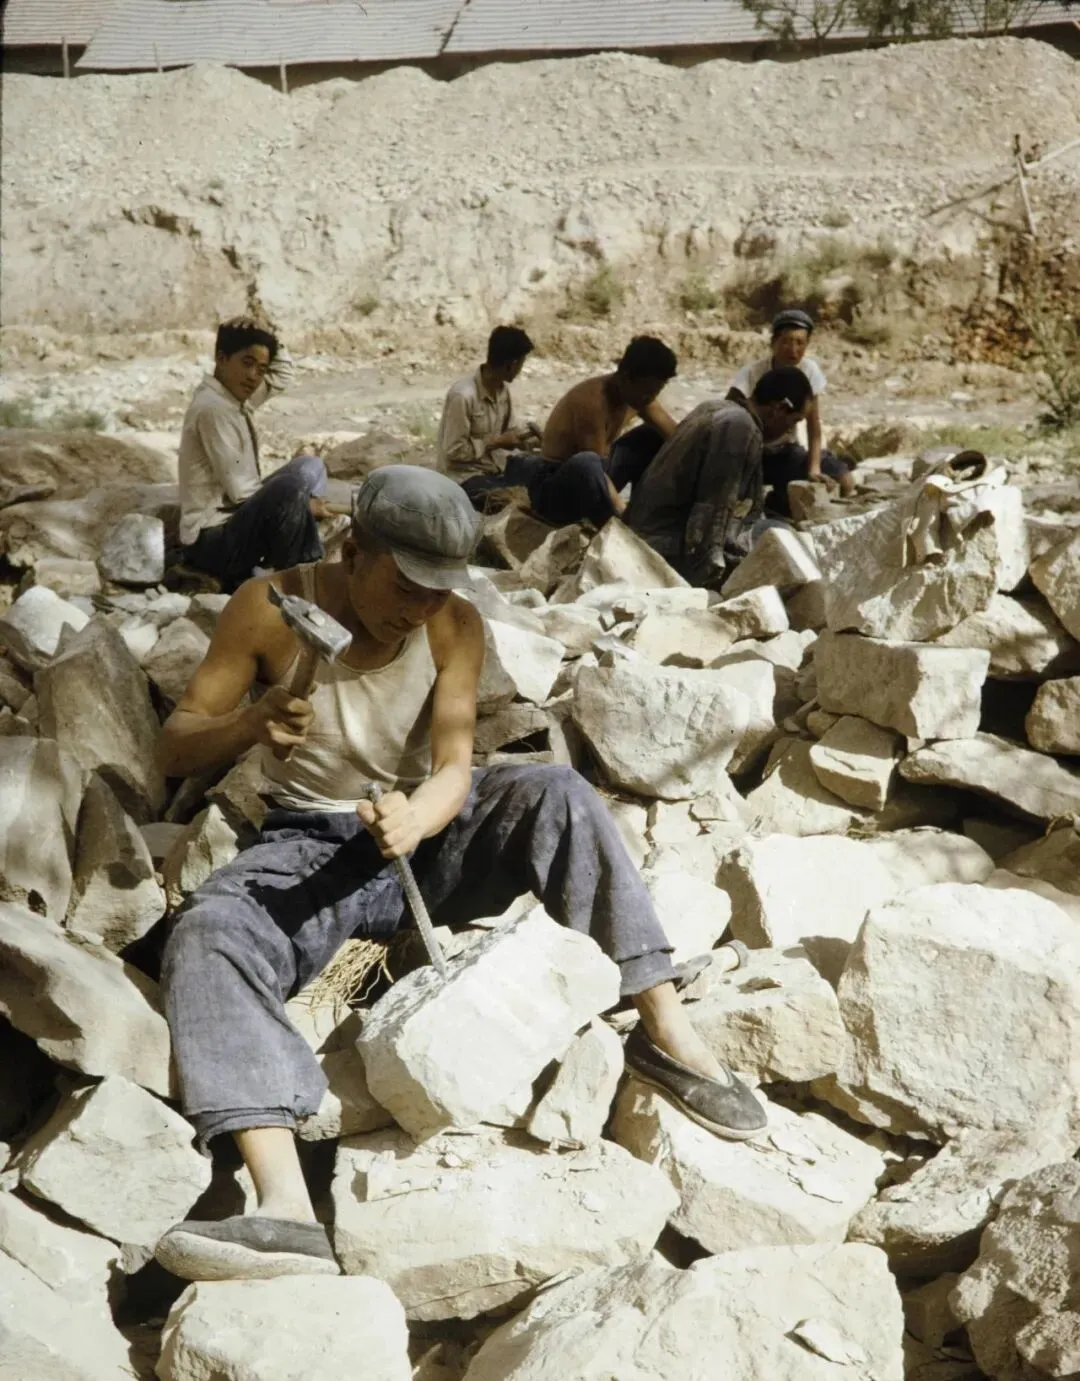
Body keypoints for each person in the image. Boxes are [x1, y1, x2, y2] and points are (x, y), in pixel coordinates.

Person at [153, 465, 766, 1283]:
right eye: (405, 586)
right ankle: (286, 1206)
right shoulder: (268, 607)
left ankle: (667, 1030)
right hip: (308, 842)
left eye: (436, 590)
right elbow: (175, 744)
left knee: (556, 791)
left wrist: (418, 817)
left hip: (421, 834)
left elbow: (452, 767)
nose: (418, 609)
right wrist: (251, 722)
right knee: (211, 928)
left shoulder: (452, 625)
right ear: (353, 549)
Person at [178, 316, 331, 593]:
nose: (253, 376)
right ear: (222, 358)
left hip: (237, 520)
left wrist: (269, 335)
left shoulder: (234, 396)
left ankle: (289, 537)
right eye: (247, 363)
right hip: (214, 542)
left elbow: (283, 375)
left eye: (261, 369)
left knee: (310, 466)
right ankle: (303, 578)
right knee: (290, 488)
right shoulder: (214, 409)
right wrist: (301, 503)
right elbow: (242, 490)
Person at [625, 366, 814, 589]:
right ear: (779, 409)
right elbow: (714, 510)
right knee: (782, 540)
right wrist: (710, 578)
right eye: (794, 421)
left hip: (650, 532)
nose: (789, 431)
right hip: (666, 545)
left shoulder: (715, 407)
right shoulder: (740, 428)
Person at [492, 335, 679, 529]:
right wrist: (623, 514)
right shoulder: (593, 401)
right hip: (557, 487)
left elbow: (677, 436)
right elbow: (593, 469)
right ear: (625, 378)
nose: (650, 399)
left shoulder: (639, 398)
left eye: (655, 393)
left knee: (651, 437)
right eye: (646, 392)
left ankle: (646, 512)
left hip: (597, 478)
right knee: (587, 462)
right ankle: (624, 524)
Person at [727, 308, 854, 516]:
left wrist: (814, 468)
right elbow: (730, 409)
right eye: (786, 342)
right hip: (753, 453)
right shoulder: (753, 372)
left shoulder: (809, 371)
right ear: (773, 342)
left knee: (845, 480)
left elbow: (814, 425)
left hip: (786, 451)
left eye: (800, 343)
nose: (793, 350)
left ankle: (779, 500)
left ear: (807, 344)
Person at [436, 325, 539, 481]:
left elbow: (509, 433)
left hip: (494, 469)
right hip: (464, 477)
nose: (520, 370)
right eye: (521, 364)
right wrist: (496, 442)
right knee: (513, 494)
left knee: (542, 475)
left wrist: (526, 440)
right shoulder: (463, 396)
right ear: (511, 365)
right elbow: (454, 451)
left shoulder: (503, 391)